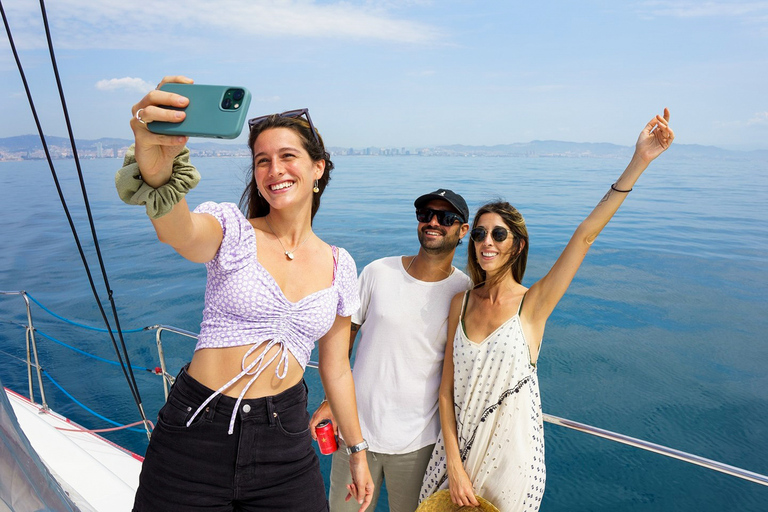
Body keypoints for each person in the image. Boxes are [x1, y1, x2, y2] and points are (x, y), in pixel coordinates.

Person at [116, 76, 374, 512]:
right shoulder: (232, 230)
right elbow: (179, 233)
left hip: (285, 440)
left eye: (288, 156)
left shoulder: (340, 265)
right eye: (262, 161)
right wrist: (157, 171)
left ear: (318, 168)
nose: (274, 171)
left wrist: (358, 451)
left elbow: (338, 371)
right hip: (196, 433)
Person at [418, 109, 675, 511]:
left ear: (516, 245)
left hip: (511, 464)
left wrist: (639, 160)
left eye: (498, 234)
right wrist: (453, 462)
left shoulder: (533, 305)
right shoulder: (461, 302)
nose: (487, 241)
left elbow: (585, 235)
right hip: (456, 459)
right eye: (481, 233)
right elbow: (446, 392)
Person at [309, 189, 473, 511]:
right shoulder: (377, 272)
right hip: (354, 434)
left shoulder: (464, 292)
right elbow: (344, 339)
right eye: (426, 214)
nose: (433, 222)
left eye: (446, 217)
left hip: (419, 446)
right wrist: (331, 401)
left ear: (463, 230)